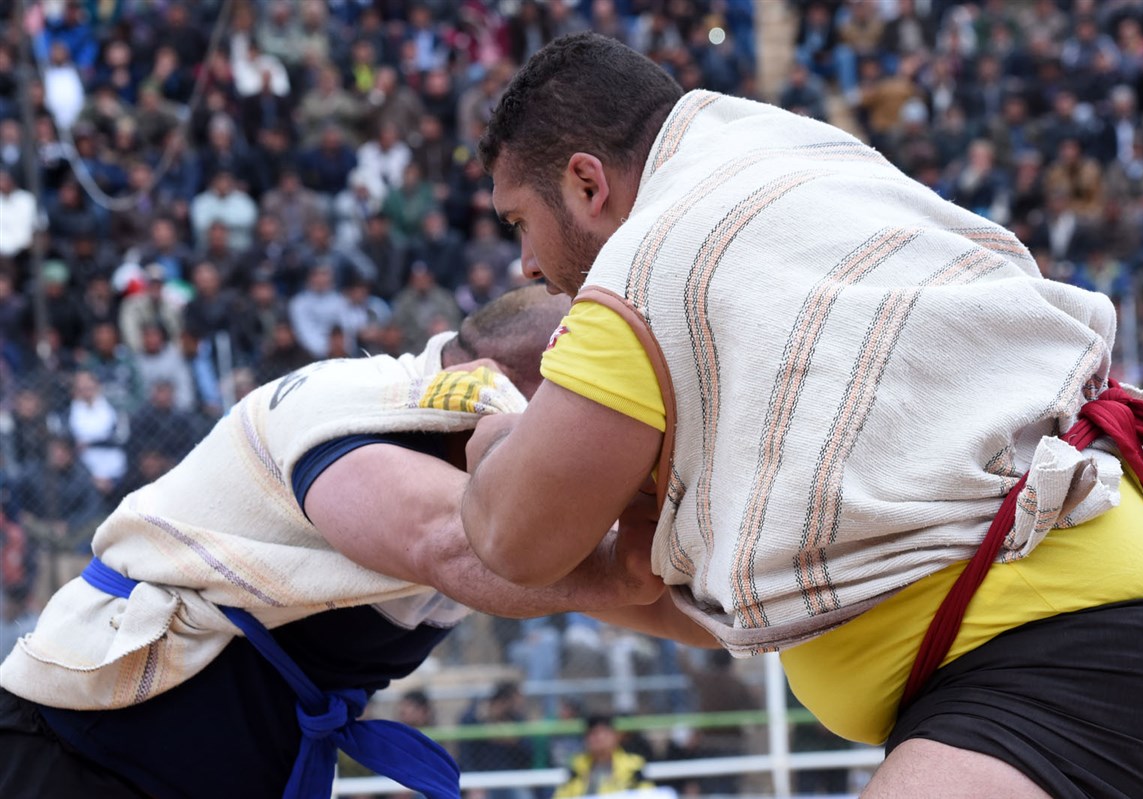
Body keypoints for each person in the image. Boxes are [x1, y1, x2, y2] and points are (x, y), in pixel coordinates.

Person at [461, 33, 1143, 799]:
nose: (528, 265)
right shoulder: (798, 159)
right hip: (1111, 625)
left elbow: (516, 537)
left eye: (519, 222)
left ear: (587, 183)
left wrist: (493, 433)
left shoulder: (645, 265)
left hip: (1043, 673)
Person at [0, 285, 713, 799]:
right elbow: (460, 545)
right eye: (602, 420)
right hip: (78, 750)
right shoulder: (353, 404)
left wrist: (756, 603)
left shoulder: (511, 489)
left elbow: (662, 600)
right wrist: (631, 563)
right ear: (536, 391)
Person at [553, 714, 655, 798]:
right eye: (593, 734)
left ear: (616, 736)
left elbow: (647, 794)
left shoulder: (633, 766)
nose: (598, 739)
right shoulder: (577, 768)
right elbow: (561, 795)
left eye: (603, 733)